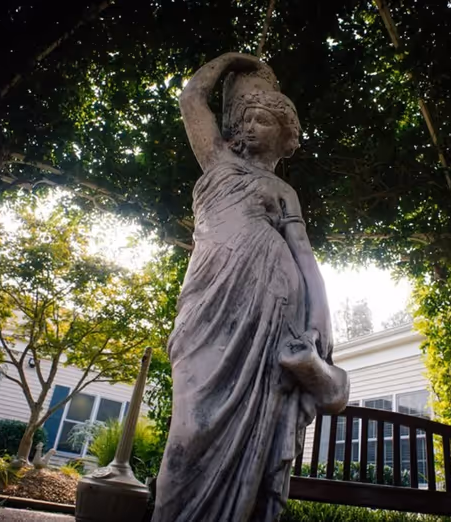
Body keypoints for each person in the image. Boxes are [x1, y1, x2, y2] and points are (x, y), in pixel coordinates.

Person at [152, 52, 348, 522]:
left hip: (272, 310)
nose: (254, 126)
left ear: (285, 138)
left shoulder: (284, 193)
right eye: (249, 118)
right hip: (210, 303)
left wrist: (319, 318)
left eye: (266, 120)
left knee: (258, 422)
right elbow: (192, 98)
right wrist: (232, 60)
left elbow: (305, 257)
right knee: (189, 430)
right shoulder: (217, 161)